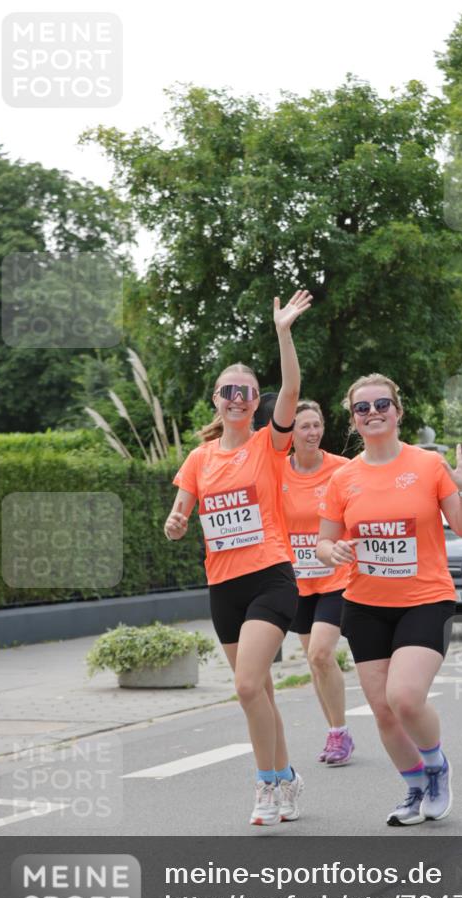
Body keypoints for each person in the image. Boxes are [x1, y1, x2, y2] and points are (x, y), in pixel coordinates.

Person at [164, 289, 313, 826]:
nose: (237, 398)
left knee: (248, 685)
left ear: (256, 402)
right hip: (223, 587)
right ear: (216, 399)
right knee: (261, 692)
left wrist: (283, 333)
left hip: (270, 579)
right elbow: (179, 515)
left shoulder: (268, 446)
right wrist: (176, 522)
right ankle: (290, 775)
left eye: (246, 392)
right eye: (228, 390)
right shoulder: (199, 458)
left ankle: (268, 784)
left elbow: (292, 388)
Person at [315, 373, 462, 826]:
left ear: (398, 411)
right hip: (365, 604)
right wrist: (334, 551)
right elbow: (322, 543)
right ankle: (413, 788)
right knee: (384, 711)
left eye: (381, 404)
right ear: (353, 420)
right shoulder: (343, 478)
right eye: (362, 408)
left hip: (425, 599)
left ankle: (435, 767)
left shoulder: (428, 466)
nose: (373, 413)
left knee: (405, 697)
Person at [282, 400, 355, 765]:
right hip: (297, 581)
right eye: (304, 427)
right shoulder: (276, 472)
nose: (312, 433)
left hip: (335, 577)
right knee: (315, 663)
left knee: (321, 654)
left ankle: (339, 732)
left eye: (317, 425)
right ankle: (334, 733)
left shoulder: (341, 469)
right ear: (290, 433)